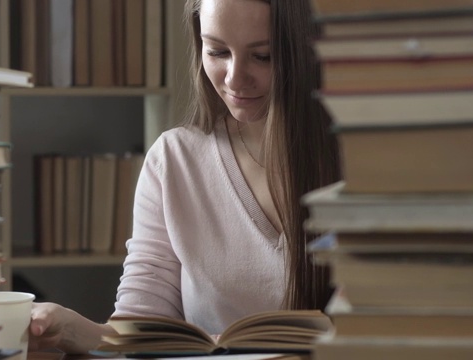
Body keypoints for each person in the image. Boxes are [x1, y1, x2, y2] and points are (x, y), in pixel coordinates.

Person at [29, 0, 339, 354]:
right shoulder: (174, 160)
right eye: (217, 51)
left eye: (263, 56)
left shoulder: (365, 158)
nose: (235, 78)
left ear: (306, 48)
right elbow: (140, 329)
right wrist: (70, 328)